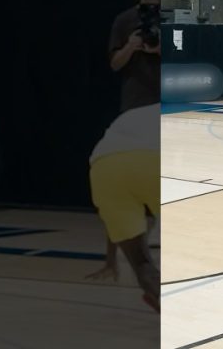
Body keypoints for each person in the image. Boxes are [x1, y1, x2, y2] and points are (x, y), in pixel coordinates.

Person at [86, 104, 160, 312]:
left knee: (143, 265)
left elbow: (116, 224)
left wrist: (111, 259)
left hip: (104, 166)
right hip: (155, 159)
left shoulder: (130, 116)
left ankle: (159, 298)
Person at [108, 0, 161, 114]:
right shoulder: (124, 20)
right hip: (135, 100)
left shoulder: (172, 18)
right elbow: (114, 65)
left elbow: (182, 60)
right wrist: (130, 46)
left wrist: (159, 49)